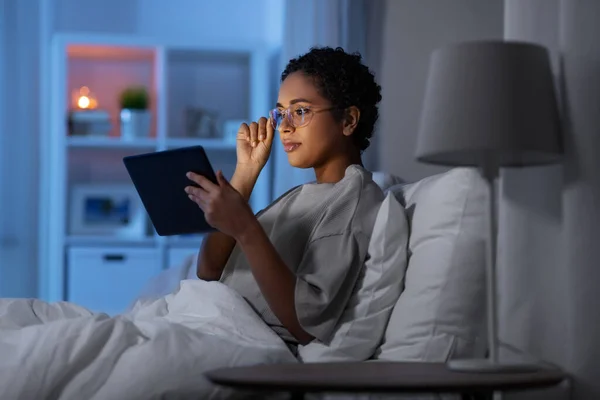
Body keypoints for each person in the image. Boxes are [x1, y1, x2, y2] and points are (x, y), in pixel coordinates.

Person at [184, 47, 383, 349]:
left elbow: (307, 324)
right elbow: (209, 269)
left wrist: (246, 229)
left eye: (301, 111)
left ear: (348, 120)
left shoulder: (353, 198)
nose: (285, 127)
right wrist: (247, 171)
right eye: (281, 113)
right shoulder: (300, 196)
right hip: (204, 325)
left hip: (238, 344)